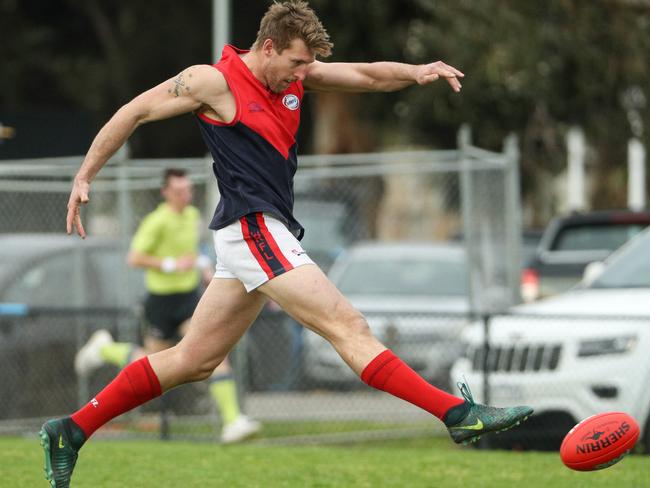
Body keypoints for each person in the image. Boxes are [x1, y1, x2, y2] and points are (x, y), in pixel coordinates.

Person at [41, 2, 533, 486]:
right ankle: (457, 414)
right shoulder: (214, 81)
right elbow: (135, 111)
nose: (303, 73)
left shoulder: (294, 77)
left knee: (194, 361)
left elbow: (364, 76)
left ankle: (70, 431)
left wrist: (417, 69)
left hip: (254, 235)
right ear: (269, 46)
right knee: (348, 324)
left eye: (308, 65)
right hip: (252, 226)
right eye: (297, 61)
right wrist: (85, 175)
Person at [73, 167, 261, 444]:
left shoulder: (194, 216)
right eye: (179, 191)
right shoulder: (156, 221)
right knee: (152, 363)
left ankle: (232, 421)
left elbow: (194, 250)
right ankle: (105, 348)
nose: (186, 195)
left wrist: (204, 266)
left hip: (188, 300)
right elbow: (134, 258)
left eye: (188, 190)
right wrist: (170, 264)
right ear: (165, 193)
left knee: (215, 352)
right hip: (160, 303)